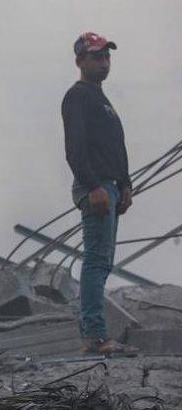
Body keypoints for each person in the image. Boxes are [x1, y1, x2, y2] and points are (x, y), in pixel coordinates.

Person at [61, 31, 136, 355]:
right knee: (95, 260)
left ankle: (96, 333)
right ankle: (95, 336)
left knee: (103, 261)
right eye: (96, 56)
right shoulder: (78, 96)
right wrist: (93, 186)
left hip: (111, 187)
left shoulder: (101, 99)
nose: (103, 62)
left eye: (106, 56)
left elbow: (114, 146)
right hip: (96, 187)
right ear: (80, 61)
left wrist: (126, 184)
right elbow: (75, 149)